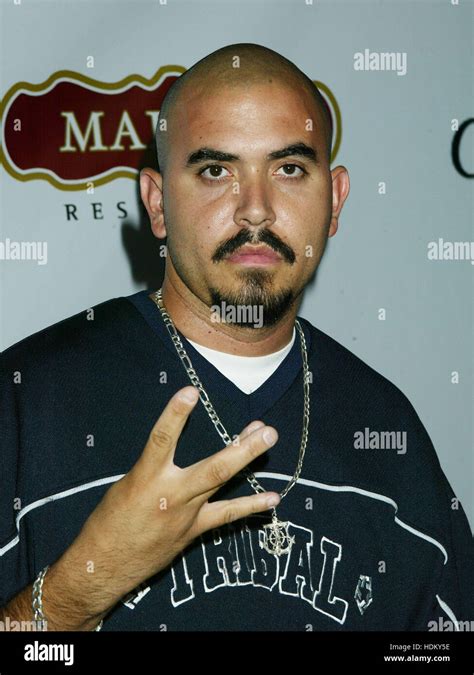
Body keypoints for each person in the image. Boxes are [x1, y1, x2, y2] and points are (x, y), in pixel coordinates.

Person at [1, 43, 472, 632]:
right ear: (157, 203)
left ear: (335, 200)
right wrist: (77, 591)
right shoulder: (24, 401)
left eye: (290, 169)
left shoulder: (388, 429)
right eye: (215, 171)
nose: (256, 210)